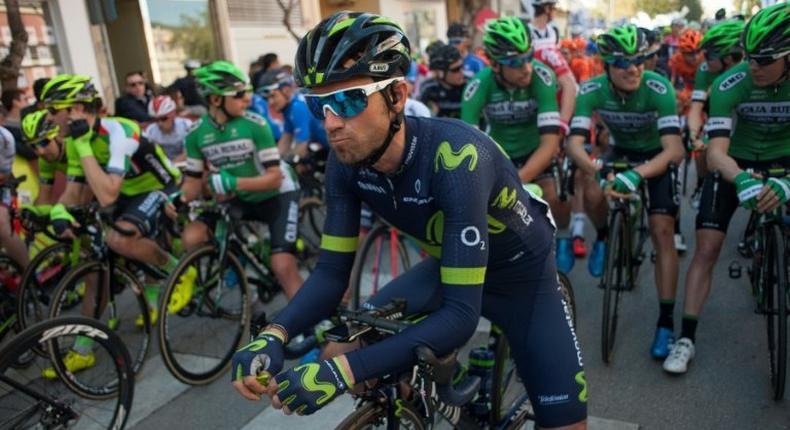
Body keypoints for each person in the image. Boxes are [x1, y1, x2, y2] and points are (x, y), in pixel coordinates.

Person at [230, 12, 587, 429]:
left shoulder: (457, 157)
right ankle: (439, 400)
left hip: (522, 279)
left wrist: (342, 375)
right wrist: (274, 334)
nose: (331, 122)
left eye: (348, 100)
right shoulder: (345, 162)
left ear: (397, 96)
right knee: (337, 352)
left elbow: (460, 317)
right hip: (452, 267)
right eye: (318, 104)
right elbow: (330, 275)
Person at [664, 3, 790, 374]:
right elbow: (716, 151)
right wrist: (744, 179)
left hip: (785, 164)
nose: (754, 66)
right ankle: (684, 338)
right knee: (707, 247)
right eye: (750, 57)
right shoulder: (729, 82)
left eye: (764, 60)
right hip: (737, 164)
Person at [38, 73, 187, 377]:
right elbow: (75, 192)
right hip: (126, 194)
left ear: (77, 108)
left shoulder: (118, 131)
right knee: (93, 267)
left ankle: (179, 270)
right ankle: (83, 350)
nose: (50, 118)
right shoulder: (79, 140)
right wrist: (57, 212)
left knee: (119, 240)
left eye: (54, 110)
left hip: (159, 186)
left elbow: (106, 194)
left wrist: (82, 145)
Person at [565, 25, 685, 361]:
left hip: (655, 158)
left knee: (663, 231)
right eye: (622, 62)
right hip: (618, 153)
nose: (633, 69)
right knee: (589, 188)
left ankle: (665, 323)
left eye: (639, 61)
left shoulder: (658, 87)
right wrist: (598, 173)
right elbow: (574, 146)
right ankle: (604, 235)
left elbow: (674, 150)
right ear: (606, 65)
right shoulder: (592, 89)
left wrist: (636, 175)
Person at [178, 61, 304, 300]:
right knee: (193, 236)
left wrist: (232, 184)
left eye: (247, 91)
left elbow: (274, 179)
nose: (247, 98)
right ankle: (245, 270)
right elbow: (192, 183)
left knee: (282, 266)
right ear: (216, 100)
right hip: (243, 196)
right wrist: (178, 199)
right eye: (239, 94)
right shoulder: (196, 134)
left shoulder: (255, 124)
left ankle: (311, 327)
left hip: (279, 194)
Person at [461, 16, 571, 273]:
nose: (526, 67)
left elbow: (550, 142)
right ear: (496, 65)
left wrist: (518, 180)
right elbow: (468, 143)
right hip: (499, 156)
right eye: (515, 62)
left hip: (536, 151)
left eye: (528, 56)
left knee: (553, 196)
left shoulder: (543, 77)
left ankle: (564, 235)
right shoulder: (478, 85)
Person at [685, 19, 745, 208]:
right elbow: (696, 107)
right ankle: (702, 183)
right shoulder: (705, 70)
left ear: (727, 56)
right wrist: (694, 133)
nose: (704, 59)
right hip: (720, 114)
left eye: (709, 54)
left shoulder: (752, 69)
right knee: (703, 146)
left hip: (747, 117)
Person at [257, 68, 329, 157]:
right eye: (267, 98)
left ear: (286, 90)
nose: (270, 102)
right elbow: (285, 139)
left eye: (273, 96)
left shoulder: (297, 107)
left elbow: (301, 147)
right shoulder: (288, 108)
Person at [21, 110, 66, 205]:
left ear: (58, 136)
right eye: (33, 146)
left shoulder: (74, 148)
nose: (40, 151)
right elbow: (44, 197)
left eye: (44, 142)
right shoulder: (44, 161)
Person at [0, 120, 28, 270]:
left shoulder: (5, 138)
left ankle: (28, 275)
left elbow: (3, 175)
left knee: (2, 224)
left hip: (2, 185)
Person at [419, 44, 465, 118]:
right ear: (440, 73)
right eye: (456, 69)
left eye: (462, 66)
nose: (462, 72)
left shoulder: (468, 85)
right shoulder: (429, 89)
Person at [143, 95, 193, 161]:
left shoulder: (186, 125)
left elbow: (188, 153)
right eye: (156, 120)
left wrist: (171, 166)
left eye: (164, 118)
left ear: (173, 115)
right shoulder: (150, 131)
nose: (159, 123)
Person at [2, 88, 35, 159]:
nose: (28, 103)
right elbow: (30, 152)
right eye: (25, 100)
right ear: (15, 102)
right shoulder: (7, 129)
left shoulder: (26, 121)